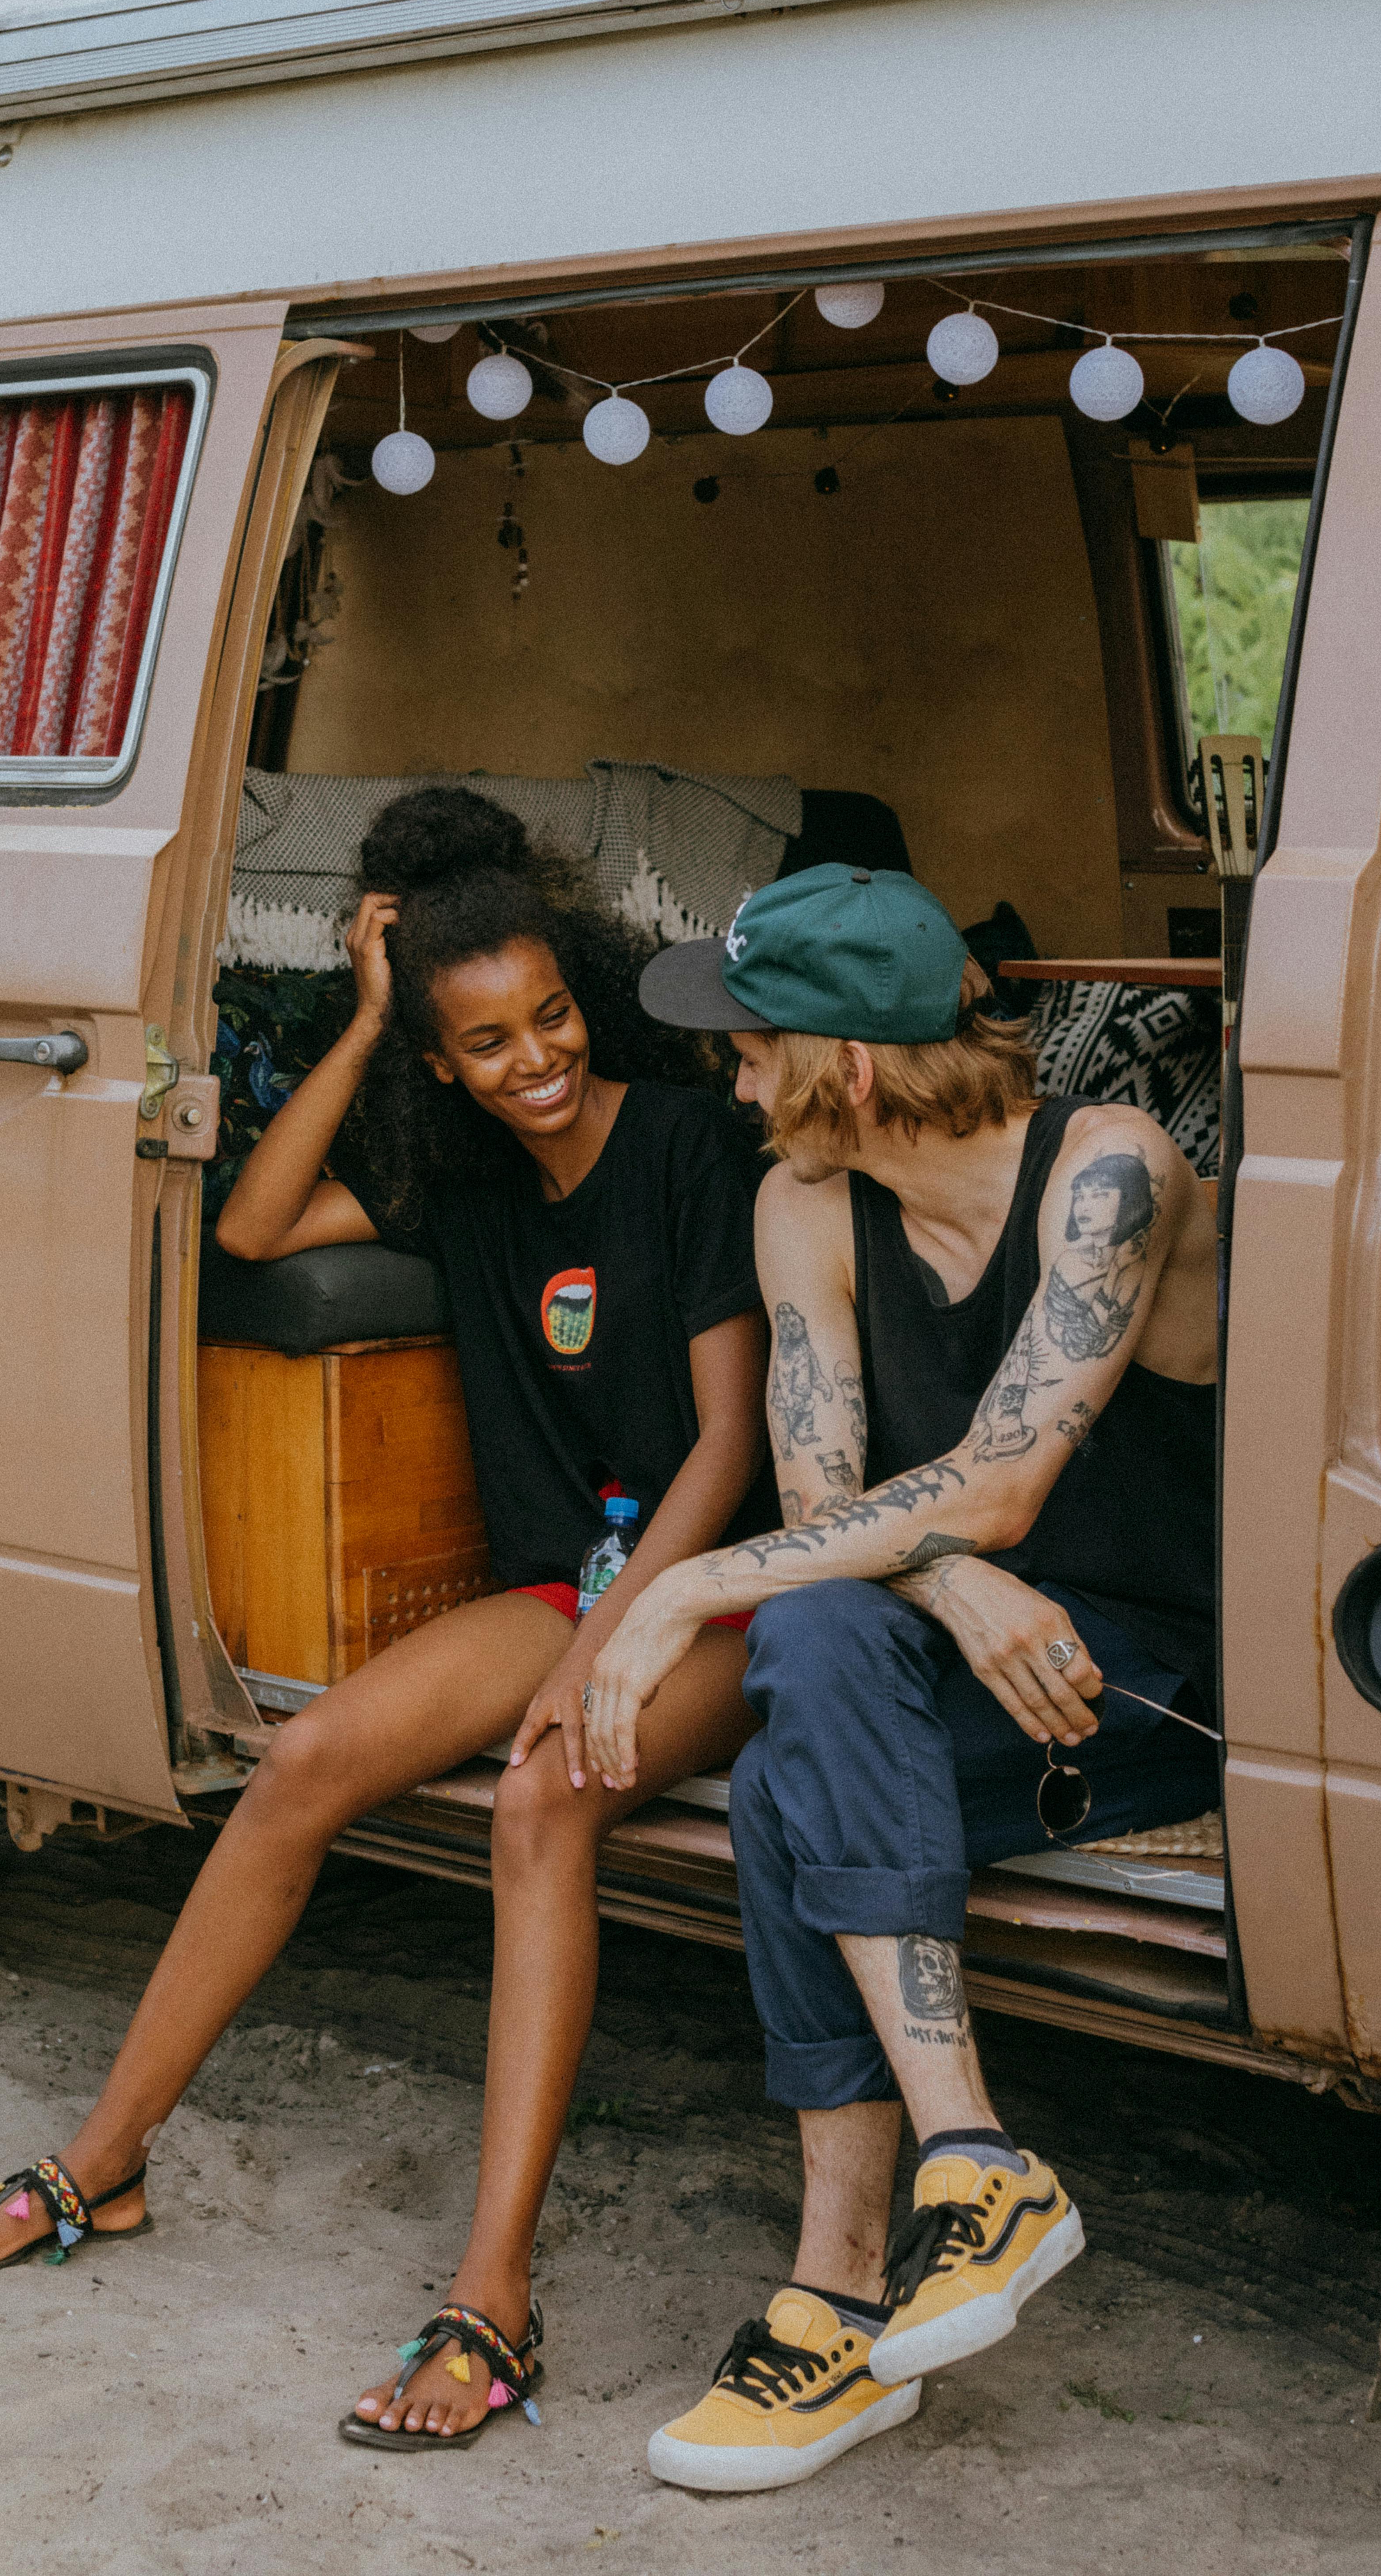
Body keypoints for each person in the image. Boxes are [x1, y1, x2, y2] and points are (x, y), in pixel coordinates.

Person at [0, 789, 778, 2452]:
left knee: (541, 1803)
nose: (538, 1060)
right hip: (566, 1591)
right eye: (487, 1039)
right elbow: (246, 1226)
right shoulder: (458, 1182)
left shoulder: (682, 1145)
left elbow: (732, 1445)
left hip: (722, 1590)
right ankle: (107, 2163)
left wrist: (606, 1657)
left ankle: (495, 2293)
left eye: (555, 1016)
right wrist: (372, 1017)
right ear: (442, 1061)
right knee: (303, 1757)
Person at [581, 861, 1220, 2491]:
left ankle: (833, 2298)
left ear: (844, 1069)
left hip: (1143, 1681)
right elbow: (826, 1507)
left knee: (795, 1764)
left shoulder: (1111, 1175)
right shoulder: (805, 1199)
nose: (725, 1076)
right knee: (814, 1658)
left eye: (746, 1045)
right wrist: (958, 1585)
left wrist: (693, 1589)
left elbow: (1001, 1476)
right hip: (951, 1661)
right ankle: (972, 2160)